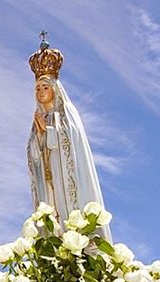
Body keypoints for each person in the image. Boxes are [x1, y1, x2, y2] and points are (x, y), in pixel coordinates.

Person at [27, 35, 111, 241]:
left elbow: (73, 142)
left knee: (71, 221)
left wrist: (49, 133)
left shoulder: (66, 114)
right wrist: (38, 140)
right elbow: (34, 156)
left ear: (55, 90)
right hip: (49, 185)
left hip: (67, 183)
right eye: (37, 88)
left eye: (45, 87)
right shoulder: (38, 118)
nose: (40, 92)